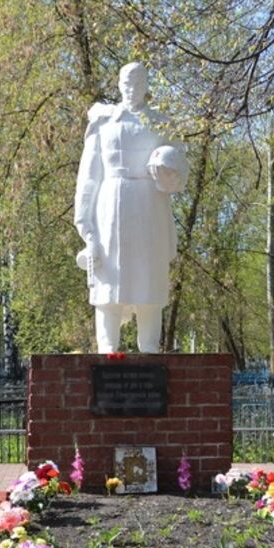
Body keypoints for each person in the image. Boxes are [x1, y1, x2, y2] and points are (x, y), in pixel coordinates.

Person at [73, 61, 188, 353]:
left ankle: (150, 352)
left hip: (149, 207)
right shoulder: (104, 122)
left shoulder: (161, 123)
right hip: (109, 206)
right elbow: (89, 176)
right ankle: (107, 352)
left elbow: (181, 171)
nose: (132, 89)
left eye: (138, 84)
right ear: (119, 85)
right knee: (107, 285)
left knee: (149, 286)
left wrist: (169, 167)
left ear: (146, 86)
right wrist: (84, 225)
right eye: (127, 83)